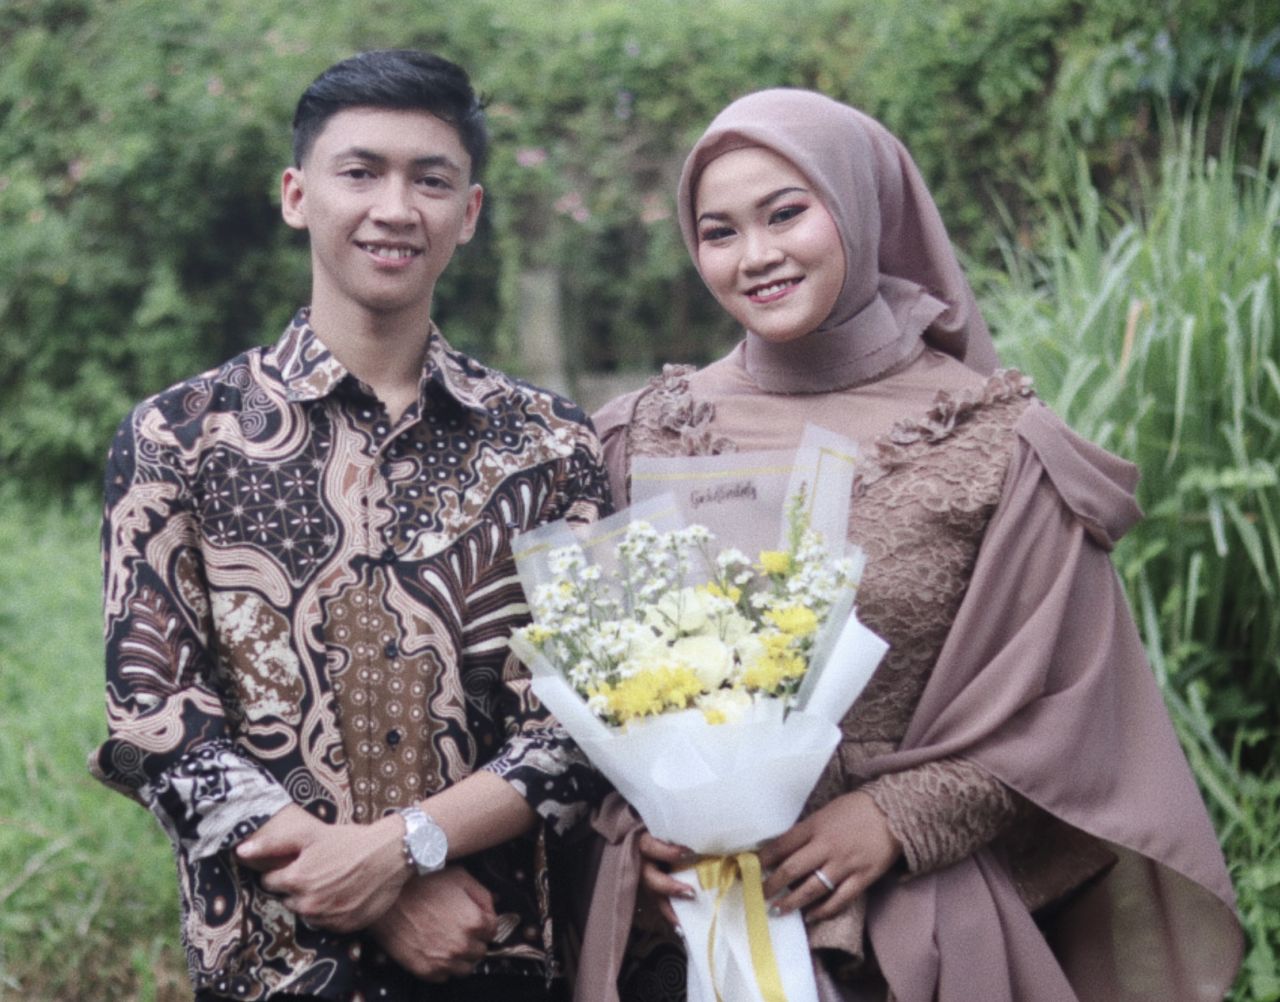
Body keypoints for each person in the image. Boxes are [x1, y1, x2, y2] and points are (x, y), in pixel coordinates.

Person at [578, 88, 1243, 1001]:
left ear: (861, 207)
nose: (756, 255)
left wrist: (896, 817)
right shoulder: (639, 436)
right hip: (691, 934)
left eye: (785, 213)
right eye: (719, 231)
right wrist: (636, 842)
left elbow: (1071, 706)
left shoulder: (996, 442)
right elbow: (584, 695)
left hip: (918, 936)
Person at [90, 49, 610, 1002]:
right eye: (361, 172)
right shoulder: (181, 437)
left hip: (491, 955)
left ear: (469, 213)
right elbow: (155, 722)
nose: (395, 207)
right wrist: (372, 889)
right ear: (298, 195)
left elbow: (581, 724)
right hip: (271, 965)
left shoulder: (550, 446)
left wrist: (408, 846)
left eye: (431, 180)